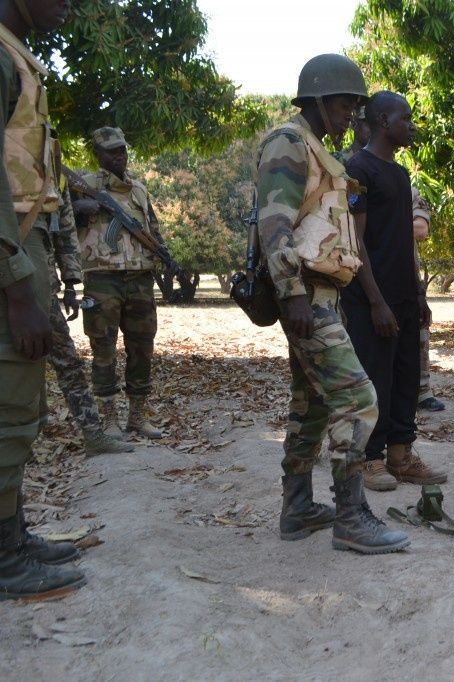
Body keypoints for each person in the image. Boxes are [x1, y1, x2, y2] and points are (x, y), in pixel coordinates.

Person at [256, 53, 408, 553]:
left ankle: (297, 507)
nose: (351, 115)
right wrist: (292, 295)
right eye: (345, 105)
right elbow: (274, 224)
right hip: (304, 295)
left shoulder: (319, 149)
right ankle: (351, 517)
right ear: (319, 101)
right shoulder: (289, 142)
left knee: (314, 405)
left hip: (323, 293)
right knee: (359, 398)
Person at [0, 0, 87, 601]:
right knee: (8, 411)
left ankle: (14, 535)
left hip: (20, 243)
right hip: (9, 251)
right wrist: (15, 285)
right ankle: (6, 559)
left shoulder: (16, 56)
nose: (67, 5)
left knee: (20, 407)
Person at [341, 91, 446, 491]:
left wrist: (419, 296)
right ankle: (370, 459)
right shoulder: (358, 170)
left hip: (403, 298)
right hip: (372, 300)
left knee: (406, 378)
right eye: (406, 118)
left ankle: (401, 455)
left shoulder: (400, 174)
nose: (412, 126)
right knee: (376, 379)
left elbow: (404, 241)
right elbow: (356, 242)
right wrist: (376, 302)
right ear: (383, 121)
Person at [72, 126, 165, 440]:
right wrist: (79, 208)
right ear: (97, 153)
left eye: (122, 149)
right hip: (102, 278)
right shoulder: (83, 185)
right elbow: (62, 221)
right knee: (103, 350)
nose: (119, 156)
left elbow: (152, 229)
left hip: (140, 279)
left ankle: (137, 417)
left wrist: (162, 255)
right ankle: (109, 418)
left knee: (142, 348)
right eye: (112, 151)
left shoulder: (138, 190)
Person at [42, 183, 132, 455]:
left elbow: (65, 227)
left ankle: (93, 435)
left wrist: (71, 283)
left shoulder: (52, 169)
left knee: (68, 362)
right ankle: (21, 439)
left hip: (41, 285)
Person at [411, 185, 445, 413]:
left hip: (407, 279)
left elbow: (420, 229)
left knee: (420, 331)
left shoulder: (408, 189)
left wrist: (381, 224)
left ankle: (422, 391)